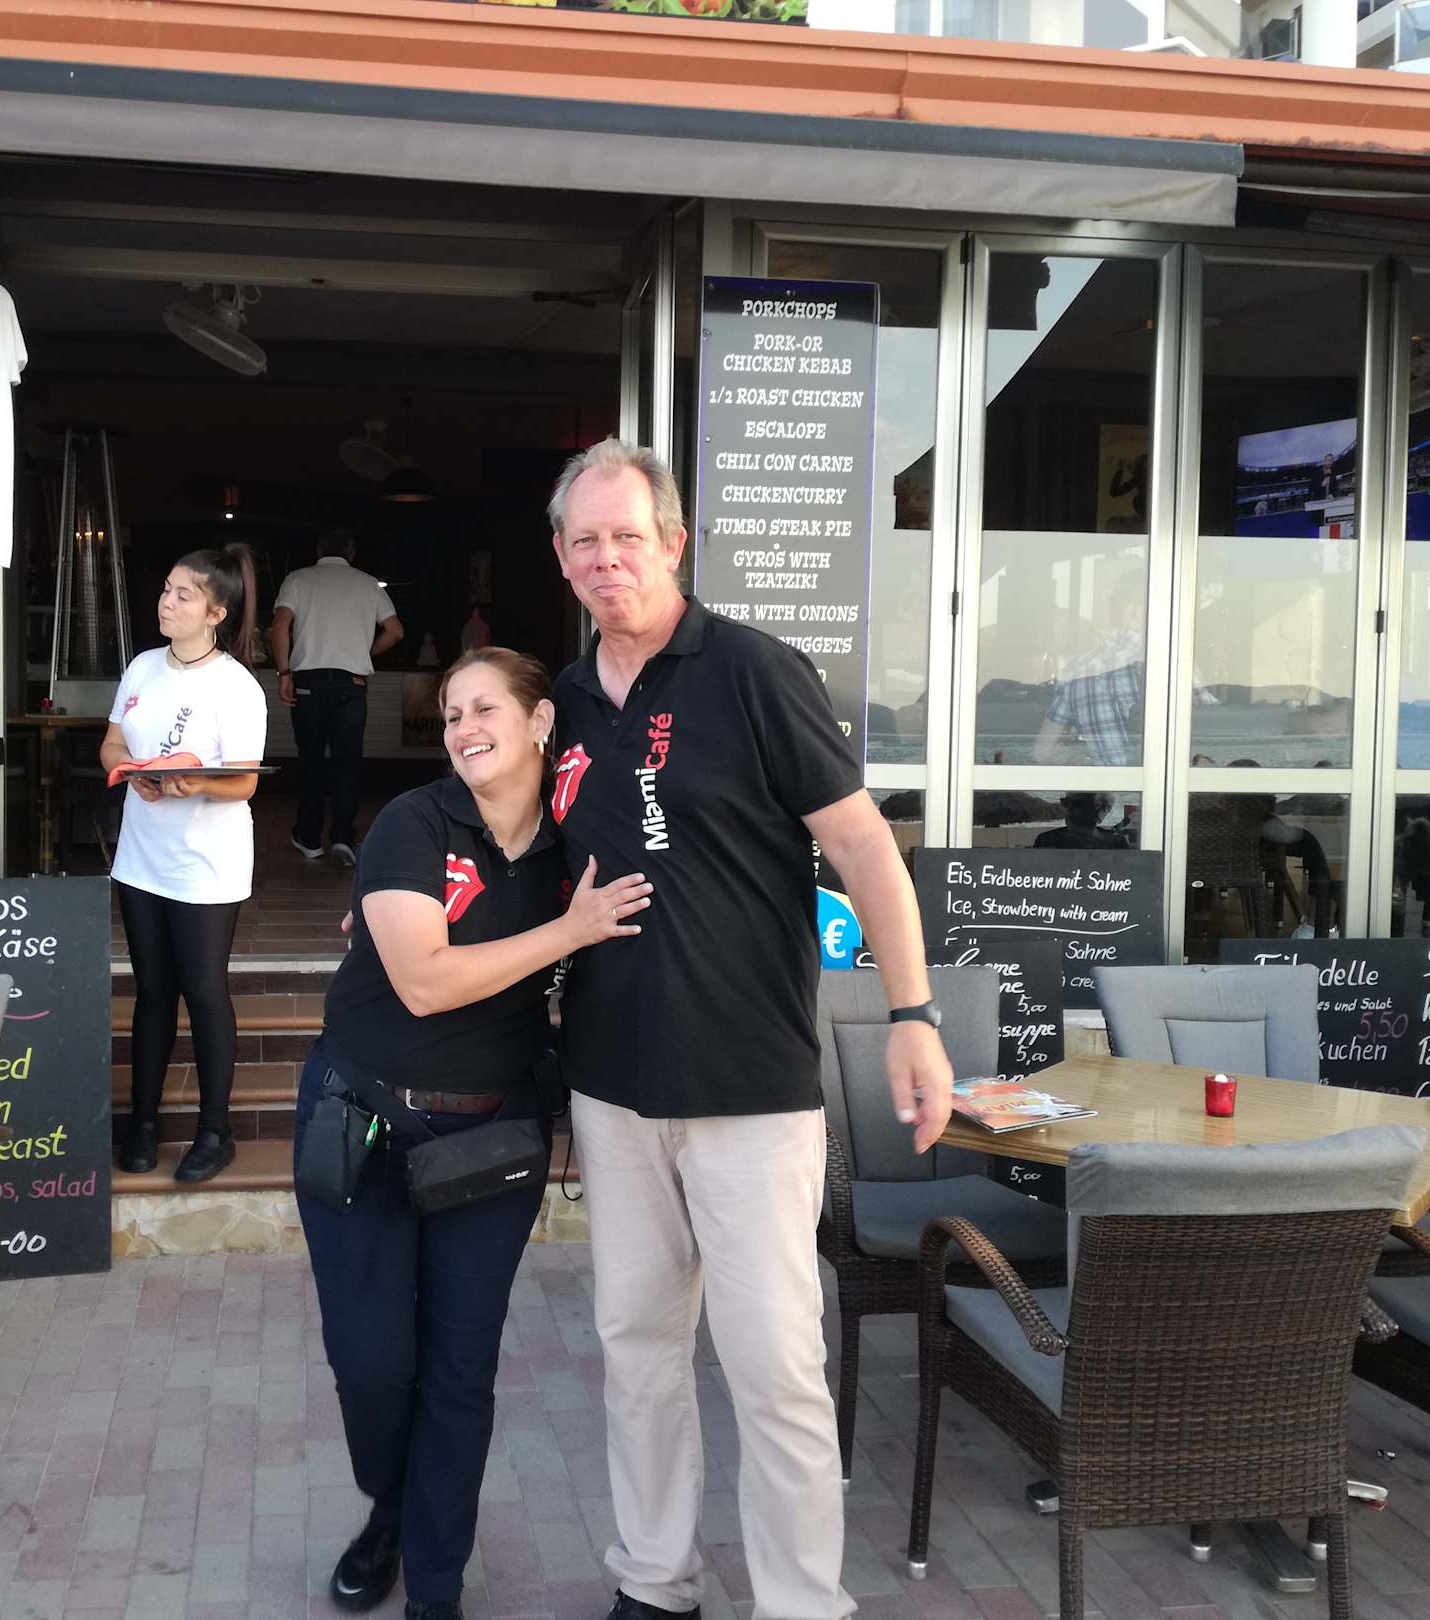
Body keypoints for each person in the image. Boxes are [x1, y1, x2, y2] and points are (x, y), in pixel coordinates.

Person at [543, 439, 953, 1620]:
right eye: (585, 541)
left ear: (674, 543)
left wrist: (912, 1013)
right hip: (612, 1085)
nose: (608, 559)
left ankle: (798, 1603)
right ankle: (653, 1580)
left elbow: (864, 843)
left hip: (750, 1089)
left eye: (628, 536)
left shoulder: (756, 671)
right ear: (562, 559)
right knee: (637, 1348)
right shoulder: (566, 701)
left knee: (775, 1367)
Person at [300, 647, 652, 1620]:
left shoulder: (579, 845)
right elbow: (422, 980)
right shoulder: (415, 822)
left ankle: (436, 1587)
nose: (463, 729)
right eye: (452, 714)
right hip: (362, 1120)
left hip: (493, 1136)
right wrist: (567, 934)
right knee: (373, 1363)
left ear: (540, 723)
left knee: (460, 1372)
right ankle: (390, 1510)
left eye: (483, 708)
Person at [100, 545, 267, 1182]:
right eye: (166, 589)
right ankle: (142, 1125)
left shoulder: (237, 687)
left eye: (183, 595)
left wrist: (194, 784)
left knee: (203, 991)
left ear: (216, 613)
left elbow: (245, 781)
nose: (166, 602)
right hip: (140, 859)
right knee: (151, 994)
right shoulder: (142, 667)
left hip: (206, 865)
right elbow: (113, 741)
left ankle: (215, 1131)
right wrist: (129, 771)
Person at [271, 528, 405, 867]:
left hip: (308, 683)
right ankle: (343, 837)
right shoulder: (369, 584)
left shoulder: (297, 579)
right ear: (352, 553)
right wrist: (365, 653)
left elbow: (279, 625)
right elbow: (396, 631)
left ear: (318, 549)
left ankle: (309, 837)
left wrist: (284, 673)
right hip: (352, 683)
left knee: (311, 761)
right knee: (348, 763)